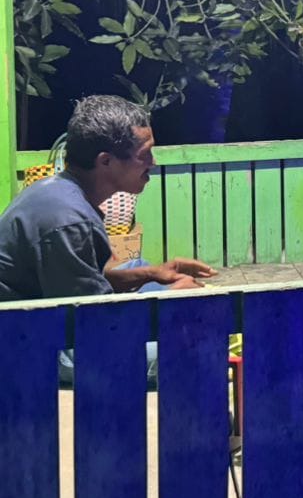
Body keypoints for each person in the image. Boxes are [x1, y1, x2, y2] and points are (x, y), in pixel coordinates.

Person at [0, 96, 215, 383]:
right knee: (192, 340)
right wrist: (171, 300)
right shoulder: (68, 220)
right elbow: (97, 323)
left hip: (55, 311)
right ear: (106, 161)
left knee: (141, 268)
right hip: (28, 340)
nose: (153, 162)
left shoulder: (61, 191)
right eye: (145, 154)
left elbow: (84, 279)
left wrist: (154, 273)